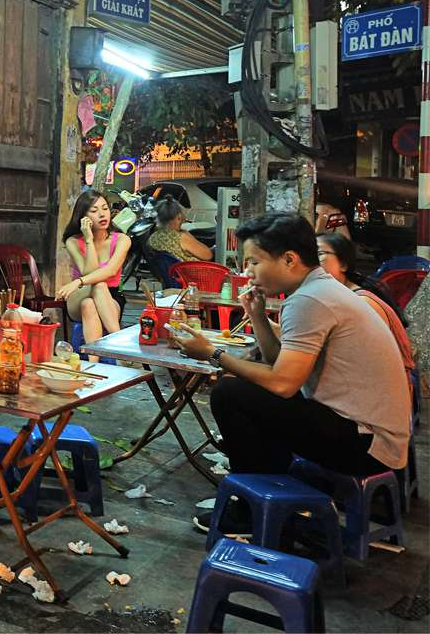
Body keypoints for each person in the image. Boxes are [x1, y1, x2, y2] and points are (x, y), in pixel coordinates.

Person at [176, 213, 410, 535]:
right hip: (370, 434)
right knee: (245, 392)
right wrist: (257, 317)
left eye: (254, 262)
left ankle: (252, 511)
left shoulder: (310, 300)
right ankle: (269, 495)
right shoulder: (320, 289)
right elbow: (280, 363)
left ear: (289, 259)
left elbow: (283, 384)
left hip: (367, 444)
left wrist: (213, 354)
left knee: (230, 394)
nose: (248, 272)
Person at [317, 233, 415, 376]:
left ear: (343, 264)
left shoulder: (361, 303)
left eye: (319, 253)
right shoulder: (339, 296)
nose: (310, 262)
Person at [55, 189, 131, 346]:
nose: (102, 214)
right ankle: (121, 346)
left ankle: (92, 365)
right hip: (80, 294)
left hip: (111, 296)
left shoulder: (122, 240)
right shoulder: (73, 241)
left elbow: (110, 271)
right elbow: (89, 273)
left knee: (89, 304)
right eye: (94, 211)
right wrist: (88, 240)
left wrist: (77, 282)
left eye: (105, 208)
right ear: (83, 217)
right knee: (98, 284)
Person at [147, 197, 214, 263]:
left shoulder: (152, 238)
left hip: (169, 272)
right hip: (194, 272)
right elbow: (208, 255)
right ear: (179, 217)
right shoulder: (180, 237)